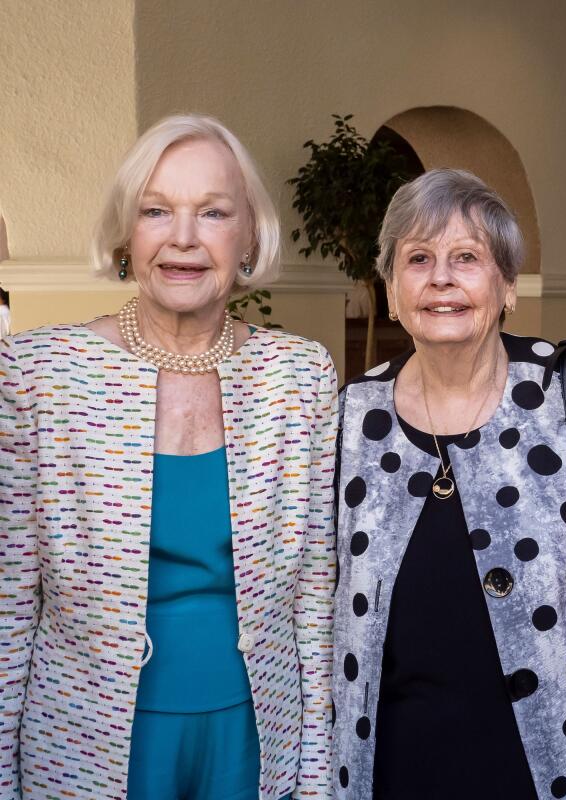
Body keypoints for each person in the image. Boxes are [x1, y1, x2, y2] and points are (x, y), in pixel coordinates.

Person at [0, 114, 337, 800]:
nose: (183, 238)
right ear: (128, 234)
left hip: (253, 736)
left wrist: (313, 776)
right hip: (83, 742)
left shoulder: (299, 377)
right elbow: (7, 604)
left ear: (248, 237)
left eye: (212, 213)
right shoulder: (37, 373)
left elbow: (314, 593)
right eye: (157, 211)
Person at [332, 168, 566, 800]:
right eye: (418, 259)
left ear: (507, 285)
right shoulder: (353, 413)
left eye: (467, 258)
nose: (441, 279)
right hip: (392, 760)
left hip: (550, 759)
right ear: (391, 290)